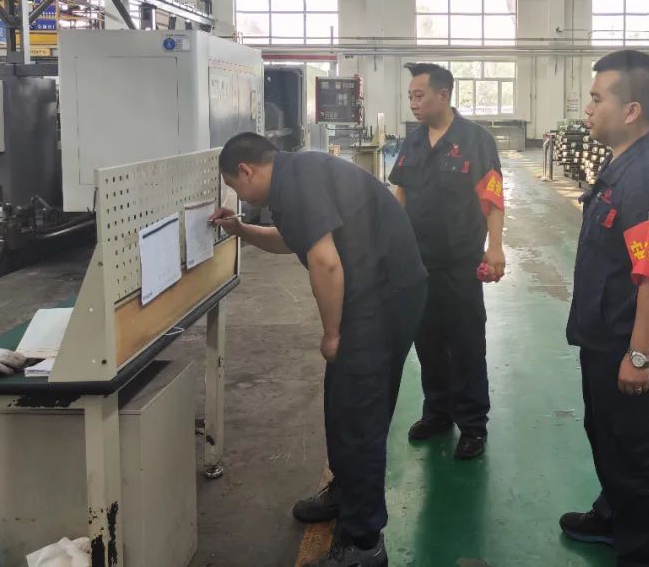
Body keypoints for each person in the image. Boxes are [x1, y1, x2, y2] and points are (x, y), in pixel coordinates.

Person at [210, 133, 428, 567]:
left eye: (235, 187)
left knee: (359, 413)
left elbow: (326, 263)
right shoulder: (295, 176)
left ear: (247, 170)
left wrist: (332, 333)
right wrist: (241, 230)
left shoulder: (296, 182)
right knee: (342, 401)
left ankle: (364, 543)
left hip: (383, 297)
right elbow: (291, 239)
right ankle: (345, 491)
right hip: (379, 291)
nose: (241, 197)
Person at [558, 51, 649, 567]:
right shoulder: (623, 163)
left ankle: (647, 555)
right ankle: (614, 517)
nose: (587, 108)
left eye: (596, 98)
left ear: (631, 110)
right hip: (604, 336)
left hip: (628, 343)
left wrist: (638, 355)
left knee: (638, 455)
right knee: (609, 438)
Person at [388, 62, 506, 460]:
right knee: (428, 340)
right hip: (419, 262)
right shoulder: (413, 140)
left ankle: (473, 424)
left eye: (419, 95)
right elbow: (402, 193)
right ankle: (438, 412)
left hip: (460, 262)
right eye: (410, 96)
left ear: (443, 95)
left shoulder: (475, 140)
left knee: (466, 341)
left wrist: (495, 247)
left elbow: (492, 197)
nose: (413, 103)